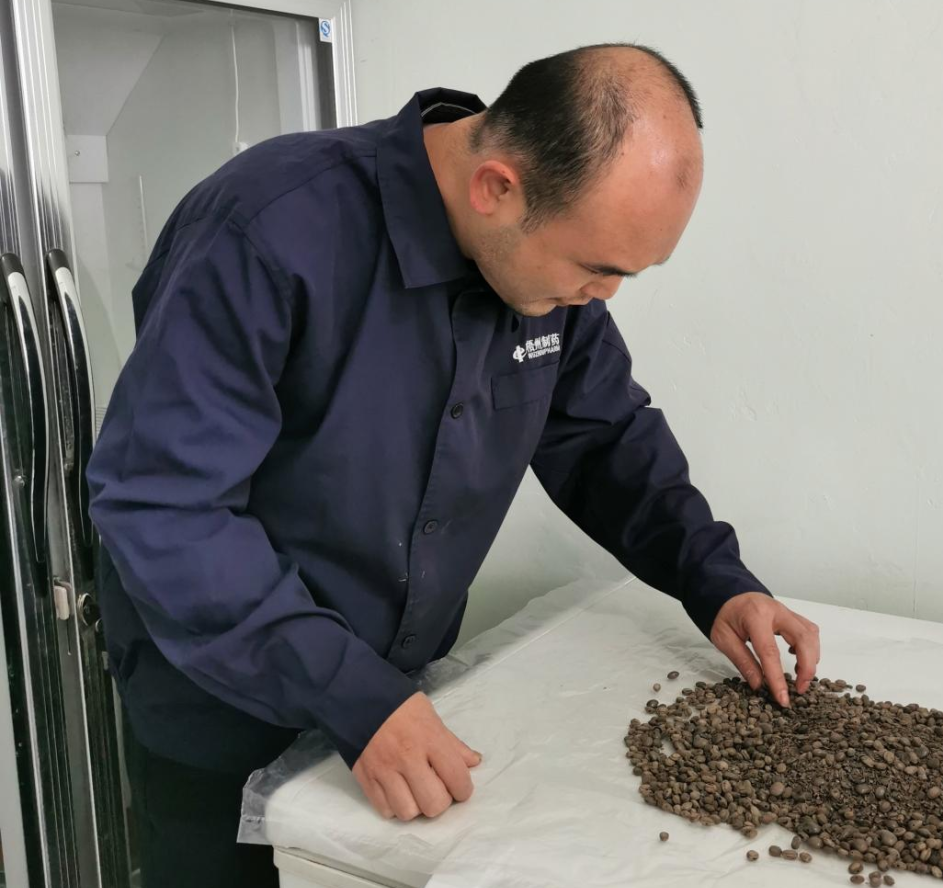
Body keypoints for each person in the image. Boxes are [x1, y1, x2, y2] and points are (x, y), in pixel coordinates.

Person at [87, 43, 820, 887]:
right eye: (598, 268)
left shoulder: (544, 274)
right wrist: (350, 691)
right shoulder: (268, 229)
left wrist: (714, 578)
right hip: (224, 707)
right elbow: (163, 504)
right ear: (496, 188)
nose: (606, 296)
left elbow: (604, 435)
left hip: (403, 696)